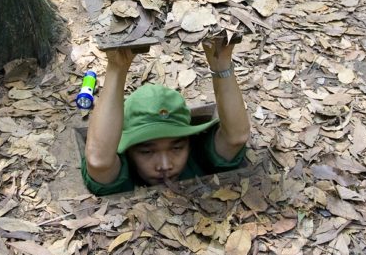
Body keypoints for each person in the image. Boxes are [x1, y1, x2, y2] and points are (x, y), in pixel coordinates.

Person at [81, 38, 251, 195]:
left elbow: (236, 137)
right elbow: (98, 160)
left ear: (189, 142)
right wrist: (117, 67)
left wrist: (221, 63)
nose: (165, 165)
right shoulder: (121, 174)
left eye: (177, 148)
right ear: (127, 150)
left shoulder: (200, 157)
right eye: (147, 151)